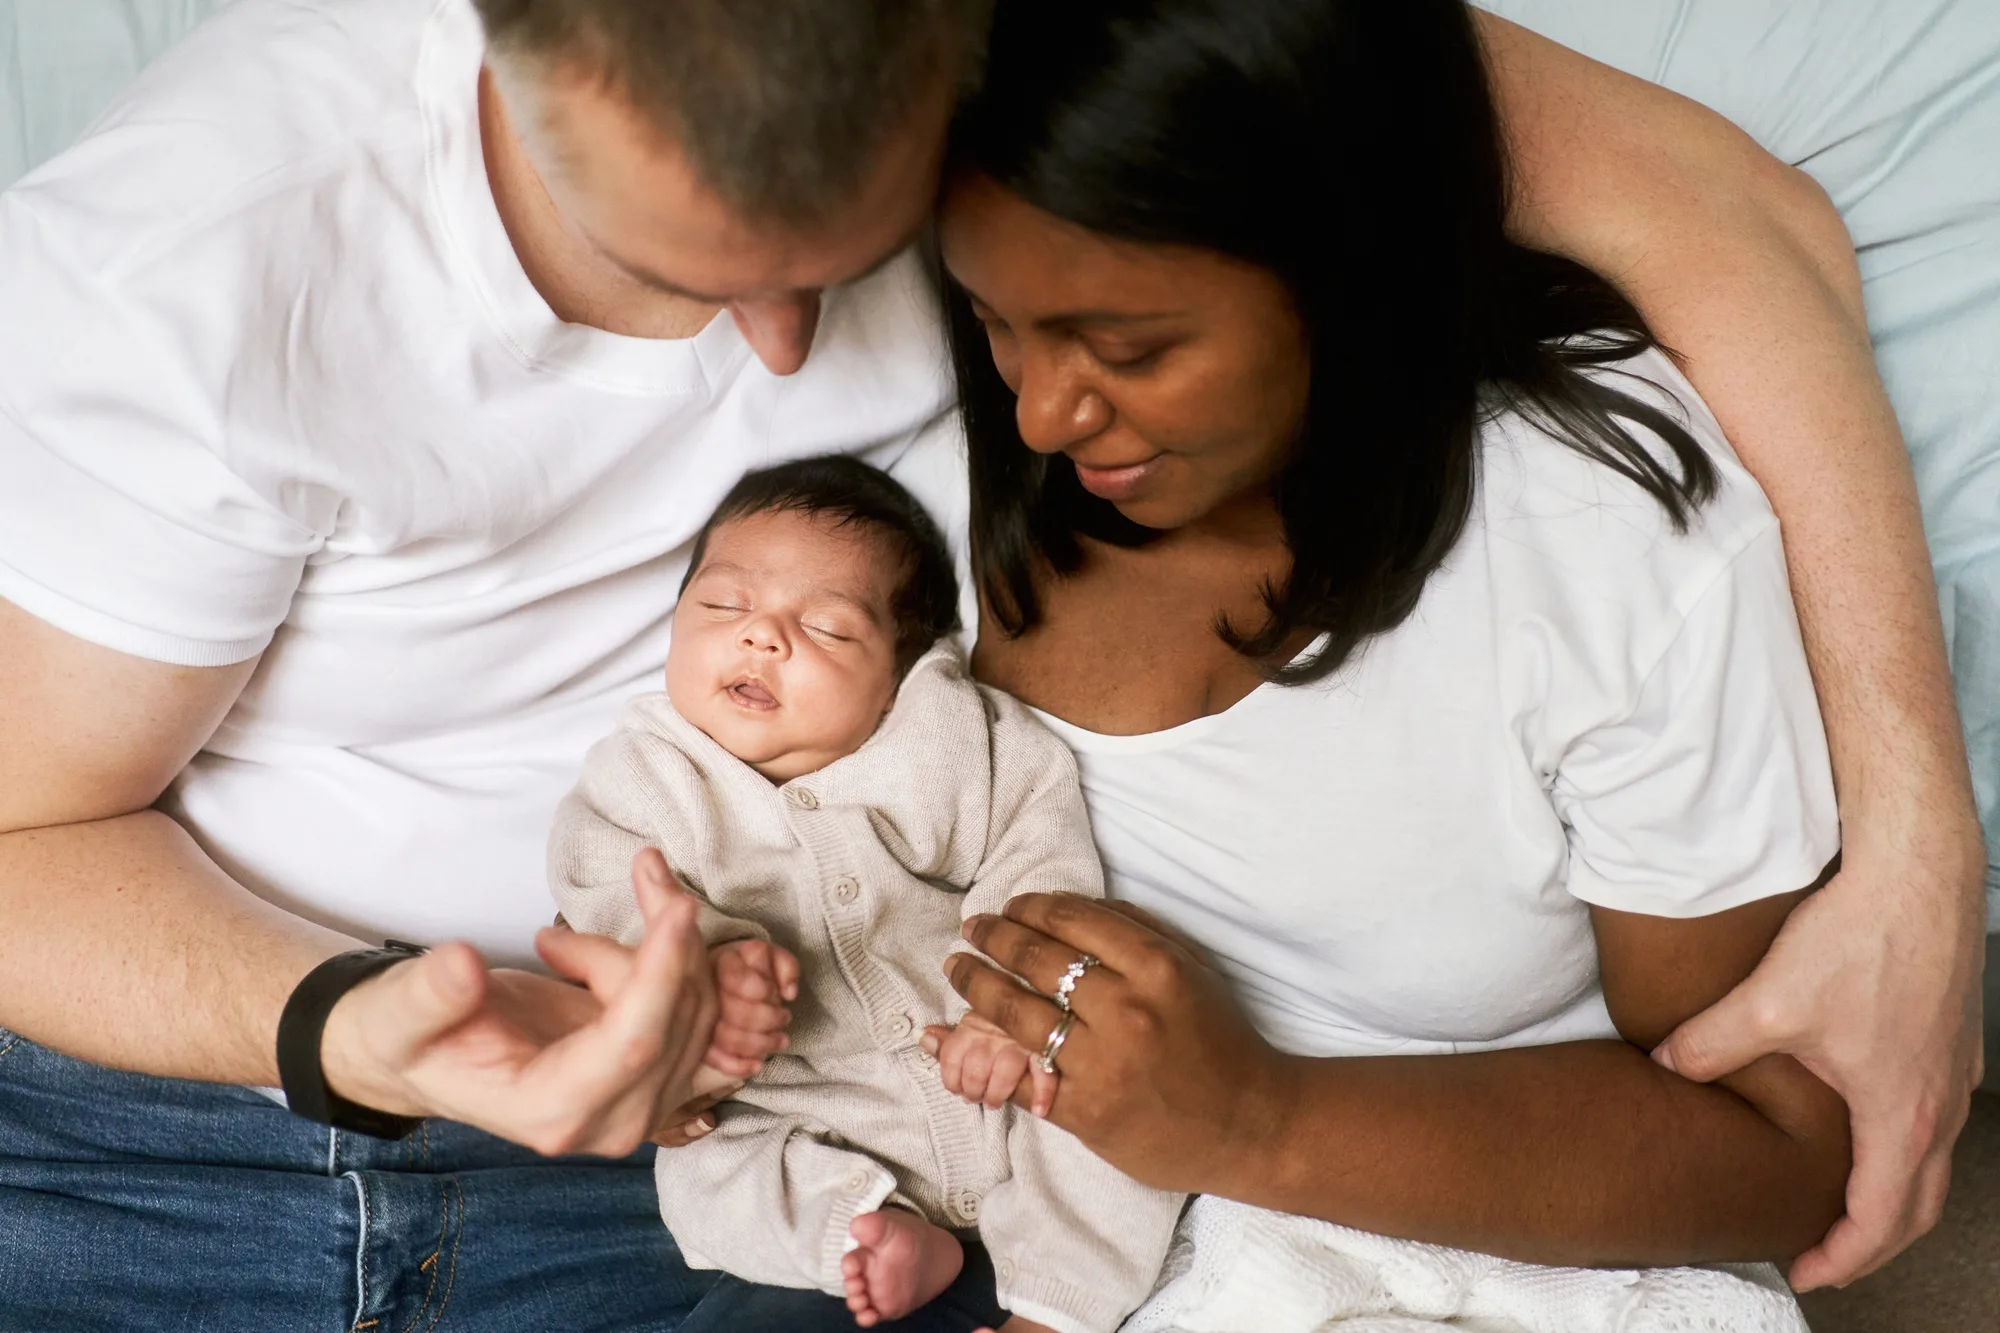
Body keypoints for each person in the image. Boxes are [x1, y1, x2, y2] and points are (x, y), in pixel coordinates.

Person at [0, 0, 1977, 1325]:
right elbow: (20, 835)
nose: (787, 354)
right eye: (682, 280)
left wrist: (1918, 841)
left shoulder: (1107, 76)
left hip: (782, 1141)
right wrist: (356, 1027)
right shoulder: (190, 254)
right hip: (159, 1121)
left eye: (856, 254)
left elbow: (1710, 204)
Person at [925, 0, 1940, 1322]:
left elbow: (1780, 1147)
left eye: (1131, 348)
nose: (1041, 413)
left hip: (1505, 1248)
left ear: (1351, 271)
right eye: (994, 319)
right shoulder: (927, 481)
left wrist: (1254, 1117)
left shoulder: (1595, 540)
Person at [549, 456, 1177, 1333]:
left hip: (990, 1066)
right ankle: (865, 1230)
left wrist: (1010, 1005)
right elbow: (615, 897)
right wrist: (707, 972)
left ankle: (1055, 1307)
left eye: (828, 628)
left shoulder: (946, 737)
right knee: (706, 1177)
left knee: (1123, 1101)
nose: (761, 637)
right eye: (722, 605)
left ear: (899, 675)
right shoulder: (641, 780)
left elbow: (1036, 842)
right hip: (797, 1107)